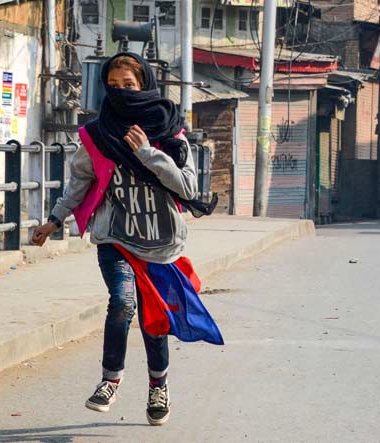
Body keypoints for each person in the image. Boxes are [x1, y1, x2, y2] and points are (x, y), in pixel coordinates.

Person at [31, 52, 221, 426]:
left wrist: (148, 153)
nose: (121, 93)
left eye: (129, 86)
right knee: (122, 303)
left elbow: (186, 187)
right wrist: (53, 221)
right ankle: (110, 379)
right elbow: (79, 184)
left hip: (161, 242)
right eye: (113, 87)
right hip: (114, 236)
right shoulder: (98, 134)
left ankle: (158, 387)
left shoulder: (171, 132)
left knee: (155, 320)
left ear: (145, 85)